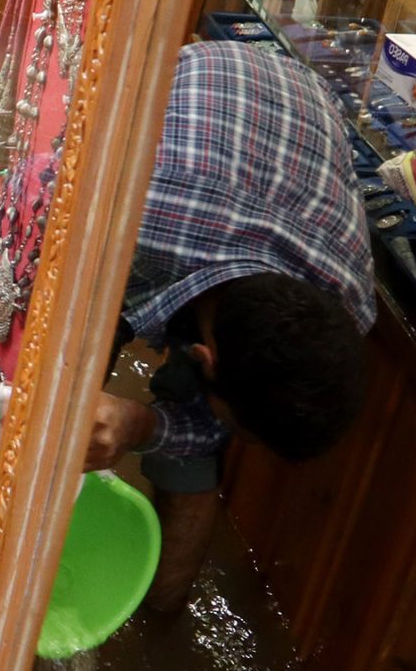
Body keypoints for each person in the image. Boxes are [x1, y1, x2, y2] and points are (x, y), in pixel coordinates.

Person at [83, 36, 374, 615]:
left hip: (294, 121)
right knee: (61, 378)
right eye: (242, 429)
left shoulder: (349, 305)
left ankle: (161, 616)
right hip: (198, 102)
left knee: (191, 439)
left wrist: (139, 423)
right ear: (203, 356)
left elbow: (206, 426)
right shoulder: (132, 223)